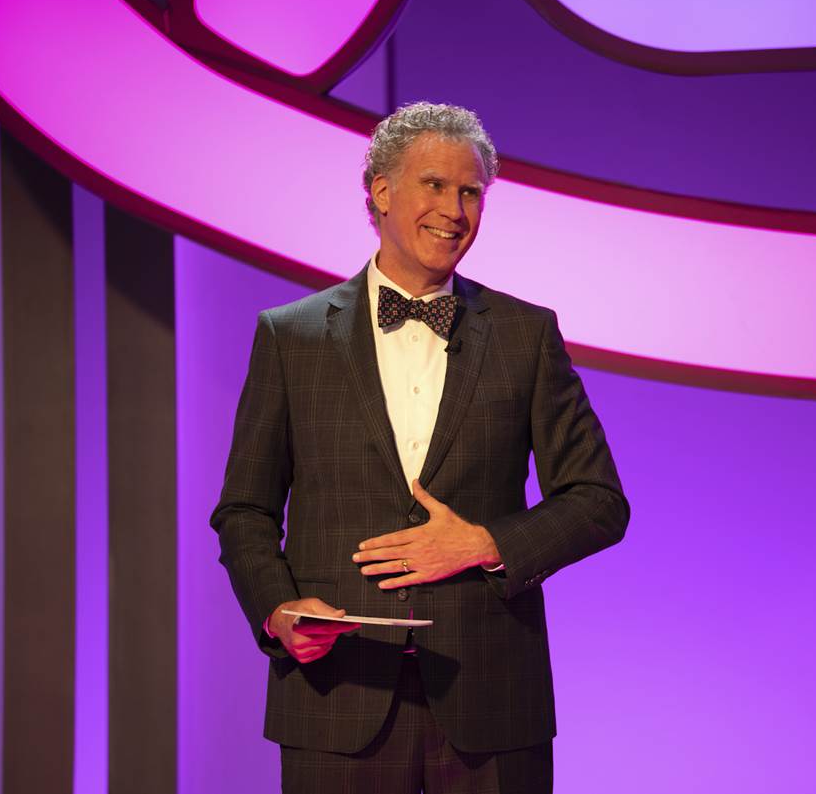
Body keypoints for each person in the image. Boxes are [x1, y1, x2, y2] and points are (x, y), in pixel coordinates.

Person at [211, 102, 628, 793]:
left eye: (471, 193)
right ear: (381, 191)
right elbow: (244, 510)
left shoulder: (525, 335)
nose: (455, 211)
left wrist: (484, 543)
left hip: (491, 701)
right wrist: (279, 610)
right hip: (336, 694)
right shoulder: (291, 336)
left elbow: (598, 501)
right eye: (435, 185)